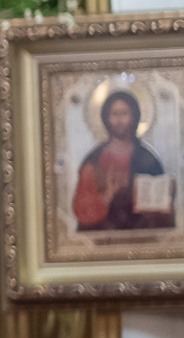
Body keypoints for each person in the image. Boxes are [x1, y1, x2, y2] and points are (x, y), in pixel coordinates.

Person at [71, 88, 172, 231]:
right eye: (114, 114)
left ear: (134, 116)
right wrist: (106, 196)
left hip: (140, 235)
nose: (119, 120)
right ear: (106, 118)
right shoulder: (94, 160)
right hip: (102, 236)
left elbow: (161, 207)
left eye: (124, 113)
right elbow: (81, 207)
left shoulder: (147, 159)